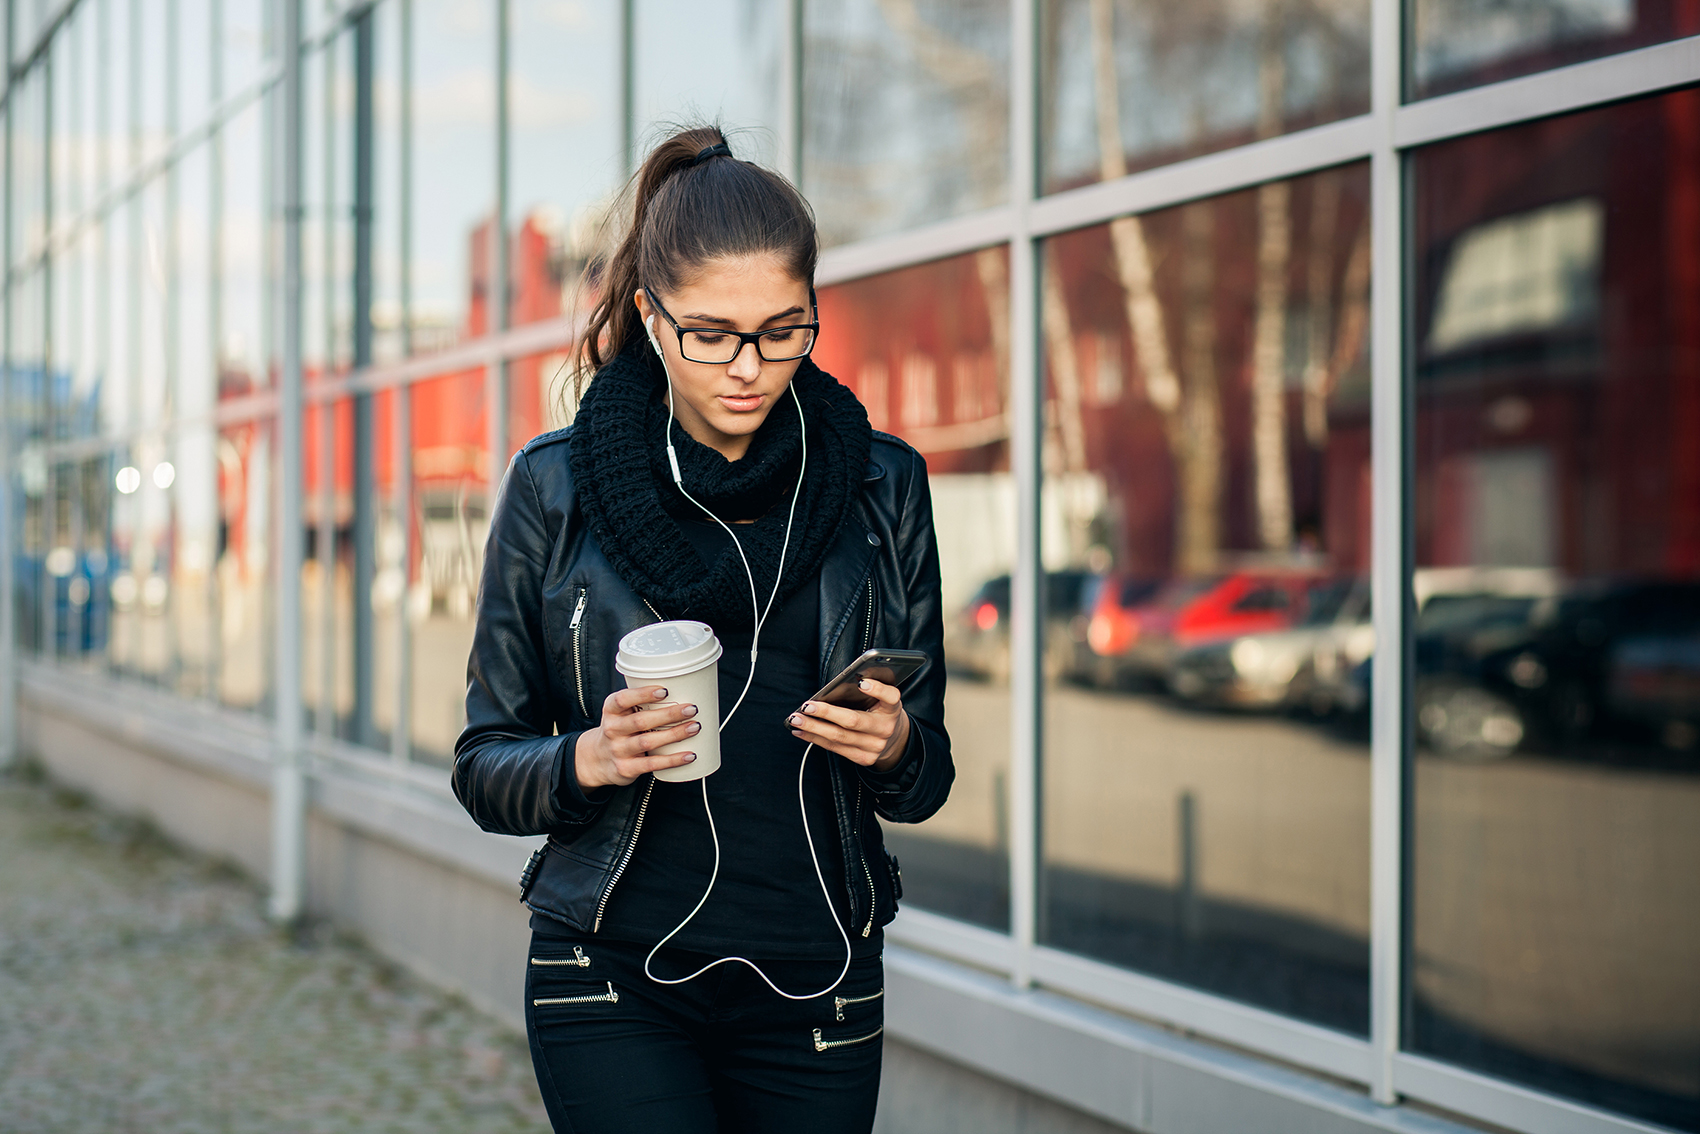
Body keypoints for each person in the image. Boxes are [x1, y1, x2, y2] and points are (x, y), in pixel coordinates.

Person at [451, 124, 954, 1134]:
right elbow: (481, 764)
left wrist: (895, 745)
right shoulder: (554, 486)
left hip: (818, 984)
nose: (748, 368)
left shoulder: (879, 482)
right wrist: (585, 758)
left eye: (782, 330)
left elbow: (926, 777)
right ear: (648, 312)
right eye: (710, 334)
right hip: (610, 977)